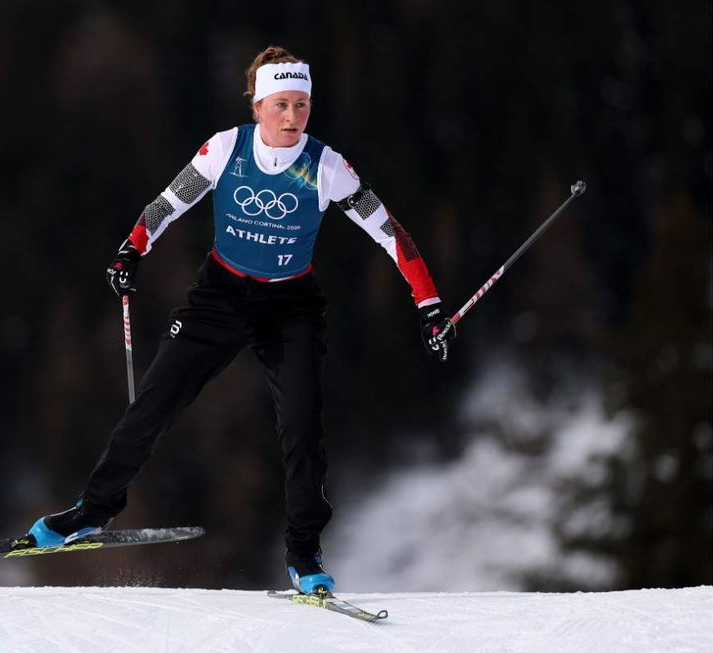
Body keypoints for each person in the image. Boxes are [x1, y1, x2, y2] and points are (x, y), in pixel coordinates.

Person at [27, 45, 456, 595]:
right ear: (257, 106)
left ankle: (303, 554)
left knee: (302, 428)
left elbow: (391, 233)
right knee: (153, 403)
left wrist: (429, 305)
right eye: (281, 105)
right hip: (220, 296)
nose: (292, 118)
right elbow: (168, 203)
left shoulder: (326, 165)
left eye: (302, 105)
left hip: (291, 307)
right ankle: (92, 510)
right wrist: (130, 251)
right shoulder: (226, 149)